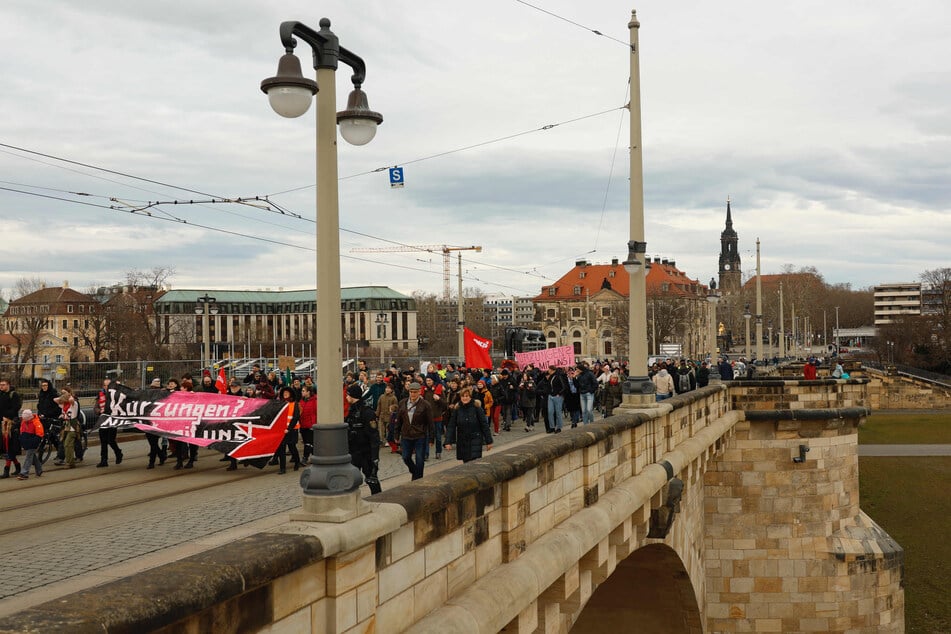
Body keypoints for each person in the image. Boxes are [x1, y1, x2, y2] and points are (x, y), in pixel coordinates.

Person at [344, 383, 382, 494]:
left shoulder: (367, 412)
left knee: (372, 480)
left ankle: (378, 500)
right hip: (353, 452)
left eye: (348, 395)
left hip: (366, 453)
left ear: (352, 396)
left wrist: (375, 457)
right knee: (351, 481)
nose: (346, 397)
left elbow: (374, 436)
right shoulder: (351, 412)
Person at [396, 382, 434, 480]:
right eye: (411, 392)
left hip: (420, 435)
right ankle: (414, 471)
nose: (413, 394)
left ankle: (418, 479)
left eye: (415, 392)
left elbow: (430, 422)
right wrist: (396, 434)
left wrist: (431, 439)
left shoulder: (425, 405)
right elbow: (399, 420)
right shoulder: (402, 403)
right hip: (406, 435)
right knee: (406, 457)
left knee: (420, 459)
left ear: (419, 392)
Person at [444, 387, 493, 463]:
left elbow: (484, 425)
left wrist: (488, 441)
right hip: (462, 441)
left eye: (467, 396)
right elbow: (451, 426)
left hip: (475, 440)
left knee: (473, 462)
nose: (465, 398)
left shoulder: (477, 408)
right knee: (466, 462)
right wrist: (448, 441)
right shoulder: (457, 409)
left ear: (470, 397)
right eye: (463, 396)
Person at [94, 378, 123, 468]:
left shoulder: (116, 395)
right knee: (103, 441)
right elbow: (96, 407)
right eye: (105, 385)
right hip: (103, 420)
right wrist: (99, 411)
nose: (106, 387)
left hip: (112, 420)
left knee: (111, 440)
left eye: (108, 385)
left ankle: (118, 452)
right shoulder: (100, 395)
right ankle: (104, 460)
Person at [275, 386, 302, 474]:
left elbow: (295, 417)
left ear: (290, 394)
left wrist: (289, 429)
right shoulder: (280, 403)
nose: (285, 394)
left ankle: (297, 462)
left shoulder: (295, 404)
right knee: (281, 449)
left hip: (292, 430)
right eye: (284, 393)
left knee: (292, 447)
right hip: (282, 430)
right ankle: (282, 468)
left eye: (287, 393)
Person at [56, 387, 83, 468]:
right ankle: (68, 460)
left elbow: (71, 400)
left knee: (68, 443)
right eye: (62, 393)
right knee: (65, 444)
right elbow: (55, 400)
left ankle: (70, 462)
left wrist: (69, 395)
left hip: (73, 426)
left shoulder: (74, 403)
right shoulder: (63, 404)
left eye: (64, 393)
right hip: (66, 426)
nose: (62, 395)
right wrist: (63, 397)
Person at [16, 409, 43, 480]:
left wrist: (33, 441)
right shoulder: (24, 421)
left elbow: (40, 434)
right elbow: (21, 431)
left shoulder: (36, 422)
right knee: (32, 456)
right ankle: (39, 469)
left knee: (28, 456)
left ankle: (24, 473)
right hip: (27, 441)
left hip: (33, 442)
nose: (25, 421)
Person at [546, 366, 568, 434]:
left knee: (558, 412)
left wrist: (559, 393)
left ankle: (559, 427)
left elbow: (564, 386)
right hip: (551, 396)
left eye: (549, 369)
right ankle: (552, 427)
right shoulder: (550, 376)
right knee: (550, 412)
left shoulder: (559, 376)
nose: (548, 370)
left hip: (557, 396)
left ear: (552, 370)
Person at [298, 385, 317, 461]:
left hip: (311, 424)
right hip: (303, 424)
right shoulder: (301, 401)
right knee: (307, 442)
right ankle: (314, 456)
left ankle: (305, 458)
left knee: (308, 443)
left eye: (303, 391)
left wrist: (314, 423)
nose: (301, 392)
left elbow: (316, 412)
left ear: (308, 392)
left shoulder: (315, 400)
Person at [1, 413, 21, 479]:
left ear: (8, 418)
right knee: (12, 458)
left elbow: (15, 440)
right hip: (6, 446)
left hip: (11, 446)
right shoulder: (4, 425)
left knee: (9, 458)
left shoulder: (13, 427)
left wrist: (15, 448)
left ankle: (6, 473)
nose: (3, 418)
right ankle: (18, 469)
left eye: (4, 417)